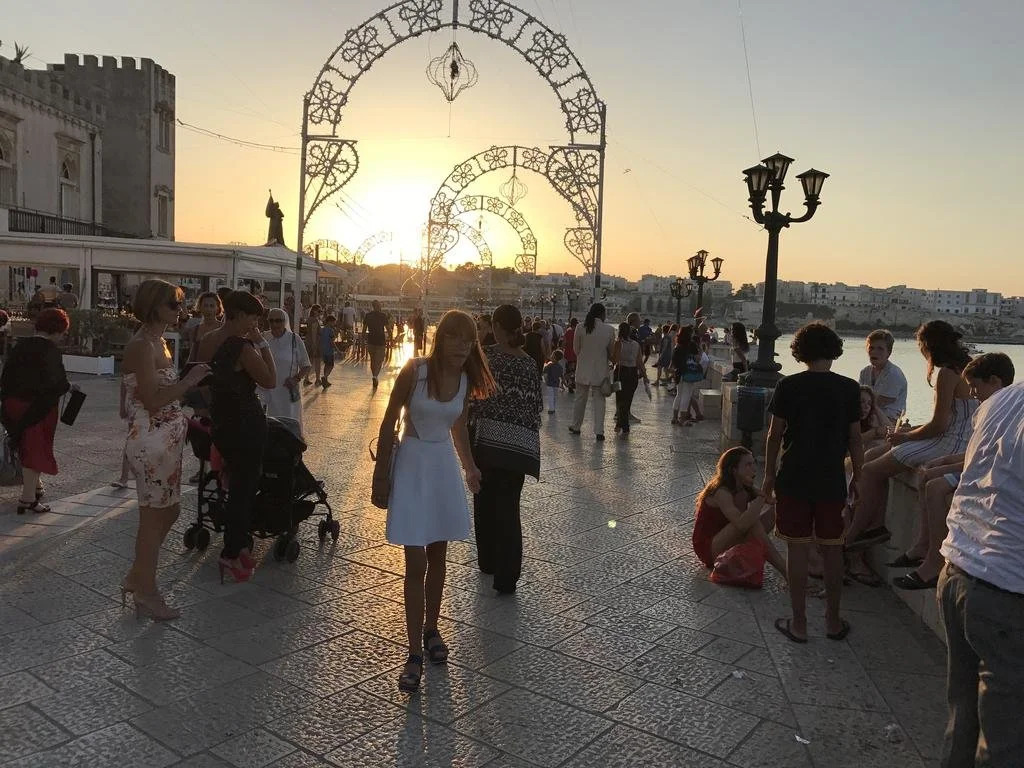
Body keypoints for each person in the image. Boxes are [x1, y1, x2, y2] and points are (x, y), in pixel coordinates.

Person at [371, 310, 495, 693]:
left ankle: (431, 628)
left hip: (442, 467)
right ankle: (413, 652)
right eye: (454, 337)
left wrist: (470, 467)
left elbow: (457, 425)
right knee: (415, 561)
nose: (462, 346)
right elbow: (389, 420)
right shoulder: (416, 371)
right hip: (412, 464)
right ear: (441, 338)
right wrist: (381, 475)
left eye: (468, 339)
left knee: (439, 555)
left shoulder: (465, 379)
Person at [936, 379, 1024, 766]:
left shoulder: (1002, 400)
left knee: (963, 716)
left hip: (958, 569)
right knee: (1006, 743)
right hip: (1007, 591)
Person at [762, 322, 863, 644]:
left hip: (794, 476)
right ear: (834, 350)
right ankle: (832, 621)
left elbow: (774, 435)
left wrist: (768, 475)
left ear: (800, 352)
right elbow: (856, 439)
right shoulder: (849, 389)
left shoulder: (788, 386)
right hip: (831, 479)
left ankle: (799, 623)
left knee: (797, 549)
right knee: (833, 549)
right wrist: (859, 477)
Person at [846, 321, 977, 555]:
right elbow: (947, 419)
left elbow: (939, 425)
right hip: (958, 436)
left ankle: (857, 531)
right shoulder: (967, 366)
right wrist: (908, 432)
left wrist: (906, 437)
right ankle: (874, 525)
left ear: (928, 345)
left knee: (870, 470)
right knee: (873, 453)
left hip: (952, 441)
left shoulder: (947, 373)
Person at [120, 280, 210, 621]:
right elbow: (153, 400)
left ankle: (137, 575)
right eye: (174, 304)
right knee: (152, 518)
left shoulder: (159, 341)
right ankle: (146, 592)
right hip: (151, 442)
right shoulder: (142, 345)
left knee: (169, 512)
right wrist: (190, 381)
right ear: (155, 306)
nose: (180, 310)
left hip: (165, 443)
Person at [890, 352, 1014, 591]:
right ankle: (924, 544)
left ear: (995, 382)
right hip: (982, 468)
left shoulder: (1003, 413)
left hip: (991, 475)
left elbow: (986, 460)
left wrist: (947, 465)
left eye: (975, 387)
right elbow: (976, 452)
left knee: (936, 487)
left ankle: (934, 560)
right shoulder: (989, 409)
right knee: (928, 475)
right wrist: (945, 459)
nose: (972, 393)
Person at [197, 291, 276, 584]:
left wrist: (216, 407)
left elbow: (201, 381)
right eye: (253, 318)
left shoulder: (206, 340)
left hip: (222, 422)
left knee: (232, 484)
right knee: (244, 488)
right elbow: (270, 379)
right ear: (240, 315)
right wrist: (262, 344)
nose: (255, 324)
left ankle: (239, 546)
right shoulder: (243, 347)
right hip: (246, 423)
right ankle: (231, 553)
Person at [470, 305, 541, 595]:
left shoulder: (487, 357)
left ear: (497, 326)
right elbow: (536, 406)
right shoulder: (530, 364)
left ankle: (488, 561)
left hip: (488, 442)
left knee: (484, 503)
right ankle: (507, 576)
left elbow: (474, 398)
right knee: (509, 510)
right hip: (518, 448)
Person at [0, 308, 72, 514]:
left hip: (12, 404)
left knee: (24, 444)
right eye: (63, 332)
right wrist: (69, 387)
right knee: (36, 449)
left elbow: (6, 376)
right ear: (56, 330)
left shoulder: (20, 346)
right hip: (37, 409)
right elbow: (56, 384)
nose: (62, 336)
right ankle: (28, 498)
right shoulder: (51, 351)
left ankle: (36, 486)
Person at [693, 447, 787, 577]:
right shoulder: (722, 492)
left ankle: (808, 559)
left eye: (753, 463)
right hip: (708, 548)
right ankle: (786, 571)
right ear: (734, 470)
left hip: (729, 540)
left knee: (777, 511)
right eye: (748, 465)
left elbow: (771, 500)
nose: (754, 468)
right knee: (752, 524)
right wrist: (760, 498)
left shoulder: (744, 487)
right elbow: (741, 525)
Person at [258, 308, 312, 428]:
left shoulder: (294, 339)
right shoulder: (263, 337)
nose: (274, 324)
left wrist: (296, 379)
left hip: (287, 392)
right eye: (271, 321)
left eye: (278, 320)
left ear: (285, 321)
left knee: (289, 424)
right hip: (267, 392)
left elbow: (306, 365)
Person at [569, 303, 615, 441]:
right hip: (600, 371)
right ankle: (599, 431)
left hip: (583, 369)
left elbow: (576, 350)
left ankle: (576, 426)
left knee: (580, 399)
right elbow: (611, 352)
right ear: (602, 314)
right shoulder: (609, 330)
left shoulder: (580, 327)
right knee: (600, 401)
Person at [857, 329, 908, 423]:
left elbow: (878, 402)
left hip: (889, 420)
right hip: (868, 416)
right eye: (871, 348)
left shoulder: (894, 374)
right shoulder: (865, 372)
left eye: (880, 349)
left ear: (888, 352)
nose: (874, 352)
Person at [612, 322, 645, 437]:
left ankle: (622, 425)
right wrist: (645, 375)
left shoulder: (618, 343)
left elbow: (615, 360)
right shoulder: (636, 344)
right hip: (633, 374)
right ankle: (622, 425)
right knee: (628, 400)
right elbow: (639, 361)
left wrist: (608, 354)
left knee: (620, 399)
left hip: (621, 372)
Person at [669, 326, 703, 426]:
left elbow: (674, 360)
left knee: (679, 395)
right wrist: (700, 350)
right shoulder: (691, 344)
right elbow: (697, 359)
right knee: (686, 396)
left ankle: (674, 418)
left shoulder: (678, 345)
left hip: (679, 373)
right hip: (688, 373)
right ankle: (682, 419)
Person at [363, 300, 388, 388]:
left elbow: (364, 329)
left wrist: (363, 340)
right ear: (379, 306)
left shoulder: (368, 316)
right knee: (379, 360)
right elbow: (388, 329)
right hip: (380, 341)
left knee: (373, 360)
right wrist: (391, 339)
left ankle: (374, 375)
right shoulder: (383, 316)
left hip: (371, 340)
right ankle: (375, 376)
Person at [304, 304, 323, 386]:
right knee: (317, 362)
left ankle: (306, 378)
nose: (320, 313)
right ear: (314, 311)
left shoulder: (309, 319)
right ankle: (318, 379)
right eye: (319, 311)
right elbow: (314, 333)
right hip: (315, 343)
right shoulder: (314, 320)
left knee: (310, 361)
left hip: (308, 342)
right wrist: (314, 346)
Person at [543, 350, 565, 415]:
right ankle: (553, 408)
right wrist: (563, 383)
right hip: (556, 384)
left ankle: (551, 409)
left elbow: (544, 372)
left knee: (551, 396)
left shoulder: (550, 365)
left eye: (552, 355)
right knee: (554, 397)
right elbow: (562, 376)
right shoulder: (560, 367)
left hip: (550, 383)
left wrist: (545, 380)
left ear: (554, 357)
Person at [319, 315, 338, 389]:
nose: (334, 324)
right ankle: (325, 377)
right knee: (331, 365)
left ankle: (325, 381)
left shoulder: (322, 330)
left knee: (326, 365)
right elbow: (332, 342)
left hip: (323, 350)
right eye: (334, 322)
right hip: (329, 351)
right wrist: (338, 350)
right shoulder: (331, 331)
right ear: (330, 322)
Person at [655, 323, 676, 389]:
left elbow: (664, 347)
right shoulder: (669, 337)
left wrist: (661, 355)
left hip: (664, 355)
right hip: (668, 354)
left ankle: (657, 381)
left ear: (663, 330)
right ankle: (667, 381)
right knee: (666, 369)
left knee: (659, 367)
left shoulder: (666, 337)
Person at [562, 318, 578, 393]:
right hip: (575, 354)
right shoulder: (577, 332)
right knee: (574, 370)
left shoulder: (568, 332)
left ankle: (569, 384)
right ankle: (573, 383)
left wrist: (564, 348)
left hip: (568, 354)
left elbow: (564, 343)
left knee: (569, 370)